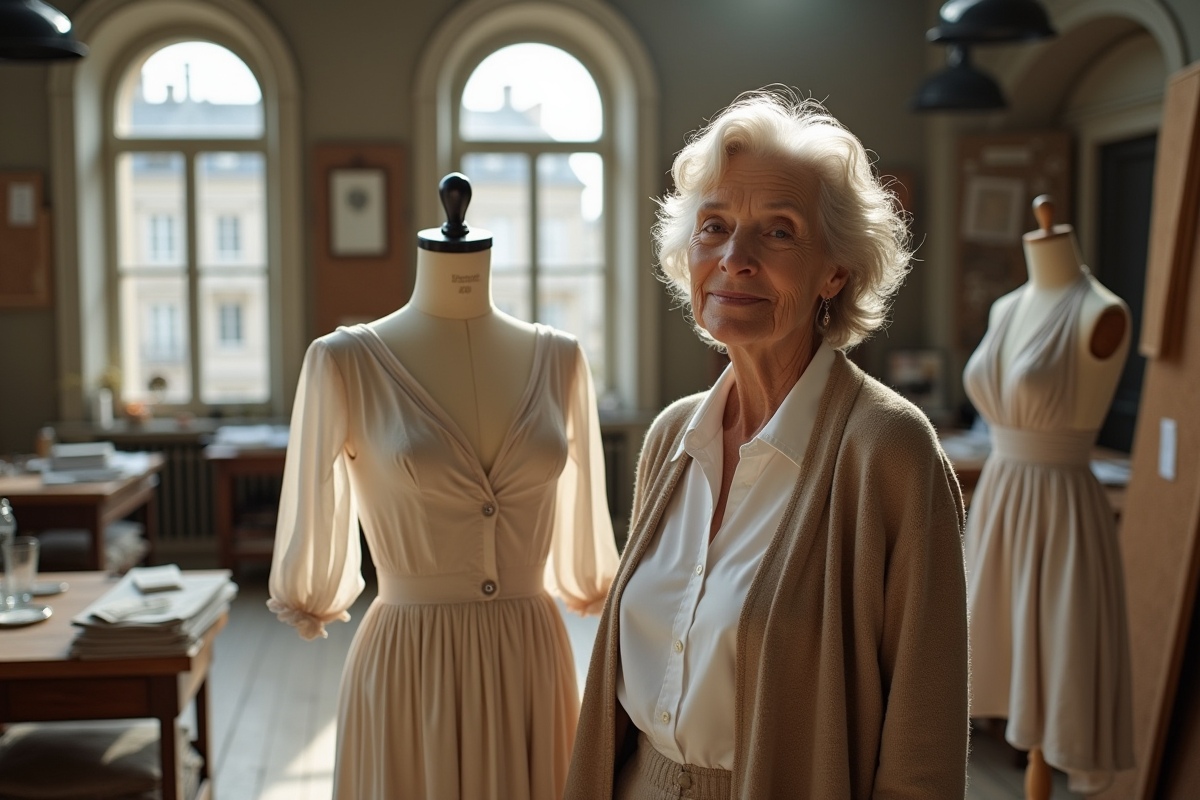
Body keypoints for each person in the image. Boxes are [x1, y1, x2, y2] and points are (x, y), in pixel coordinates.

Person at [564, 89, 969, 799]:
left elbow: (923, 744)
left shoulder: (889, 453)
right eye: (713, 226)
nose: (734, 258)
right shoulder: (672, 438)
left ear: (835, 271)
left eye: (778, 232)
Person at [268, 174, 619, 800]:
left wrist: (588, 576)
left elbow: (586, 525)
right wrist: (312, 589)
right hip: (411, 660)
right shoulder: (344, 361)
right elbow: (315, 515)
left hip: (529, 655)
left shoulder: (561, 360)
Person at [964, 196, 1133, 796]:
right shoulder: (1006, 307)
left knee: (1056, 654)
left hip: (1060, 509)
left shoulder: (1101, 311)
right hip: (1001, 500)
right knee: (995, 657)